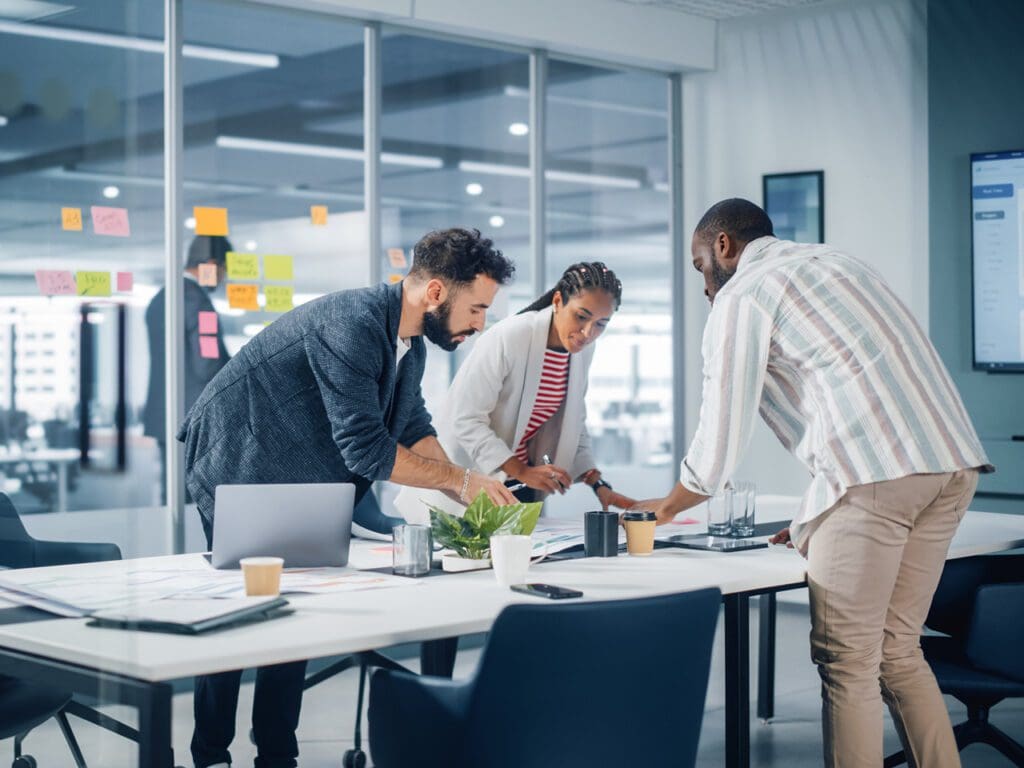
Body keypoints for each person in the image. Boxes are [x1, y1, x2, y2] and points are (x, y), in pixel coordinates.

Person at [637, 199, 992, 767]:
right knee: (899, 653)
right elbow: (859, 395)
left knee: (848, 663)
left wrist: (667, 507)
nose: (705, 285)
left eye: (701, 265)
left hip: (878, 479)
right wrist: (819, 515)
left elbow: (720, 431)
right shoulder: (840, 264)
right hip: (951, 466)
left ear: (724, 245)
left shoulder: (743, 295)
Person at [177, 227, 517, 768]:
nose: (480, 324)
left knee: (295, 606)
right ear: (435, 294)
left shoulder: (408, 344)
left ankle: (276, 752)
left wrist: (469, 487)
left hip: (299, 472)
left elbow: (411, 425)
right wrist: (460, 482)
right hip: (239, 458)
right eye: (476, 309)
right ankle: (210, 754)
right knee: (239, 612)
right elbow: (365, 449)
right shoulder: (354, 322)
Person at [406, 262, 637, 515]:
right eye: (581, 316)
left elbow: (574, 421)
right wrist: (522, 471)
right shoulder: (511, 336)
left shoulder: (582, 351)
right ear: (558, 301)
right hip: (469, 479)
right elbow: (466, 419)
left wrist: (598, 483)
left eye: (601, 324)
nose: (587, 332)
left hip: (517, 483)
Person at [142, 235, 230, 499]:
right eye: (224, 271)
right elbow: (208, 362)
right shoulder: (197, 301)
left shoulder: (161, 297)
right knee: (196, 498)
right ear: (212, 265)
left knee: (174, 495)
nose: (224, 280)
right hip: (196, 419)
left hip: (166, 415)